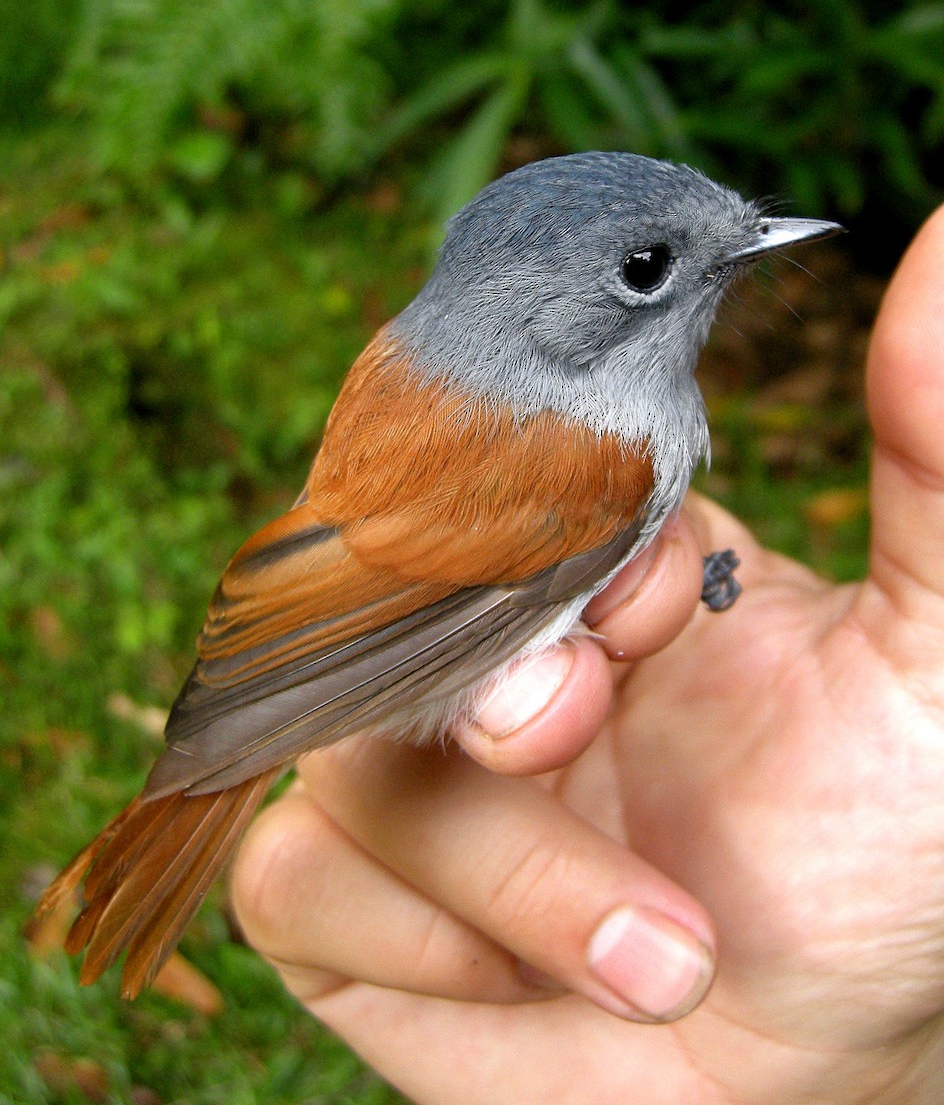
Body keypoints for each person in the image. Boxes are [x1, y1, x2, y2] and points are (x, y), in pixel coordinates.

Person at [231, 206, 944, 1104]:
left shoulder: (572, 417)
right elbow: (418, 606)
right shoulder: (585, 449)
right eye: (649, 266)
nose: (745, 251)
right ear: (542, 321)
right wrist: (260, 718)